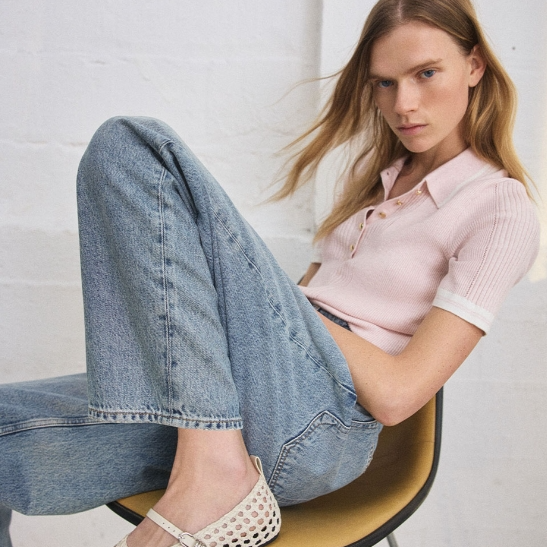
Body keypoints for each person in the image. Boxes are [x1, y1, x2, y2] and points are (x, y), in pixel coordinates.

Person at [0, 0, 540, 546]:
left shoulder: (498, 207)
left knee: (130, 146)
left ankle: (214, 474)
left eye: (426, 73)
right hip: (235, 391)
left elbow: (398, 395)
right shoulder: (369, 180)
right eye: (384, 83)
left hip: (315, 423)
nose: (403, 104)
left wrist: (279, 302)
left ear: (474, 66)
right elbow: (296, 308)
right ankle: (212, 456)